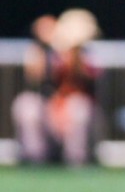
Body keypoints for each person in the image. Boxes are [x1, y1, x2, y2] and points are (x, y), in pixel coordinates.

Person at [12, 10, 103, 167]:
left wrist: (75, 54)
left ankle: (76, 160)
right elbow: (35, 75)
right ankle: (34, 159)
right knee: (26, 104)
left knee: (78, 107)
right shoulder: (47, 52)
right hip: (49, 116)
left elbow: (83, 81)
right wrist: (43, 45)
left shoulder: (90, 56)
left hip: (76, 118)